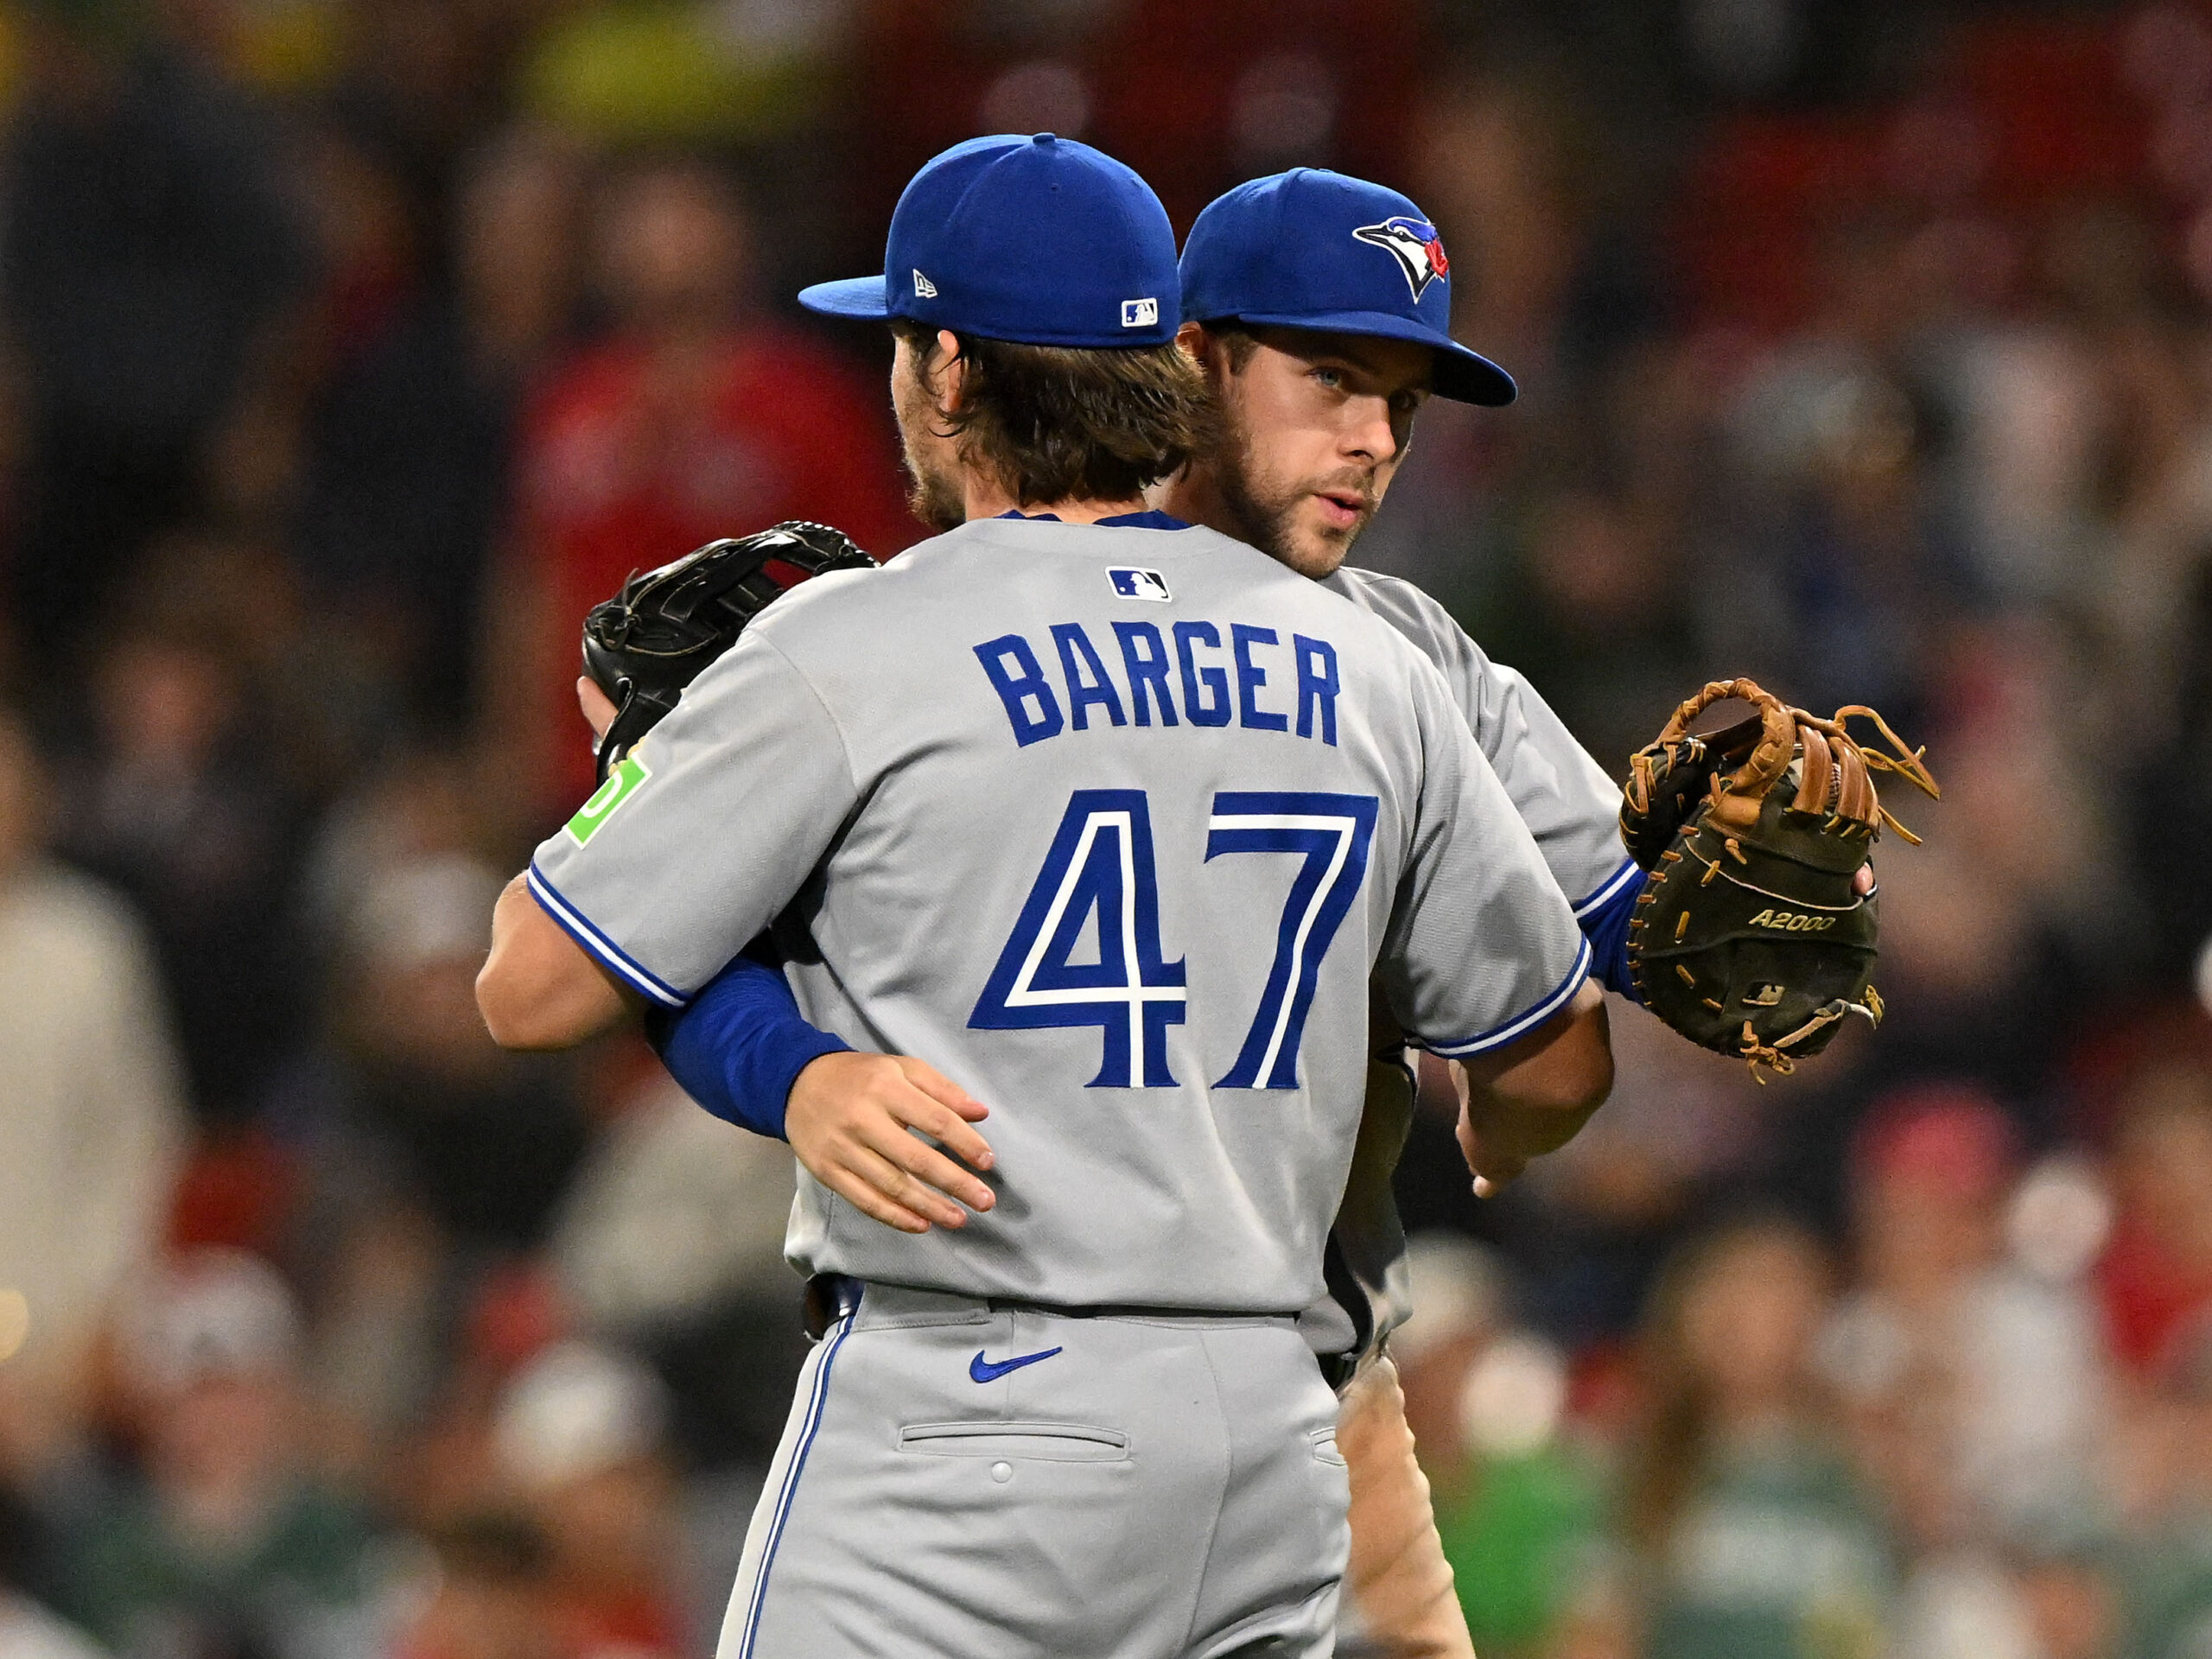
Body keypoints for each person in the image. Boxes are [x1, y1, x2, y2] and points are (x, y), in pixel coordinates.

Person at [478, 132, 1612, 1657]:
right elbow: (1551, 1061)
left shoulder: (857, 644)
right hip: (1269, 1445)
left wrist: (650, 786)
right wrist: (1495, 1130)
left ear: (949, 370)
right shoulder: (1367, 661)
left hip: (972, 1419)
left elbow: (532, 987)